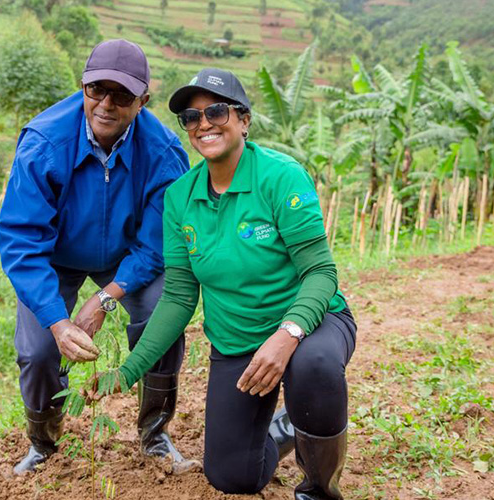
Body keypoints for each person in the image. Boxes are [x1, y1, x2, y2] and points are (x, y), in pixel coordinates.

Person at [87, 69, 357, 499]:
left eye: (216, 110)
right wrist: (127, 371)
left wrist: (287, 335)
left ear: (243, 119)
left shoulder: (281, 177)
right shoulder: (180, 198)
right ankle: (291, 426)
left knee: (315, 365)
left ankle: (318, 490)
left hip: (310, 323)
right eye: (191, 117)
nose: (204, 123)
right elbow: (177, 297)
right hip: (237, 342)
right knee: (233, 477)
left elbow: (321, 274)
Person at [0, 39, 197, 475]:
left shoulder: (163, 154)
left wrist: (106, 297)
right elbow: (22, 239)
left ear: (143, 100)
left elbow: (158, 243)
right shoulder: (44, 142)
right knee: (36, 350)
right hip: (55, 257)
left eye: (122, 95)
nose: (106, 104)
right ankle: (43, 442)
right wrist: (57, 320)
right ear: (82, 86)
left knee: (163, 315)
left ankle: (155, 433)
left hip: (126, 257)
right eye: (96, 90)